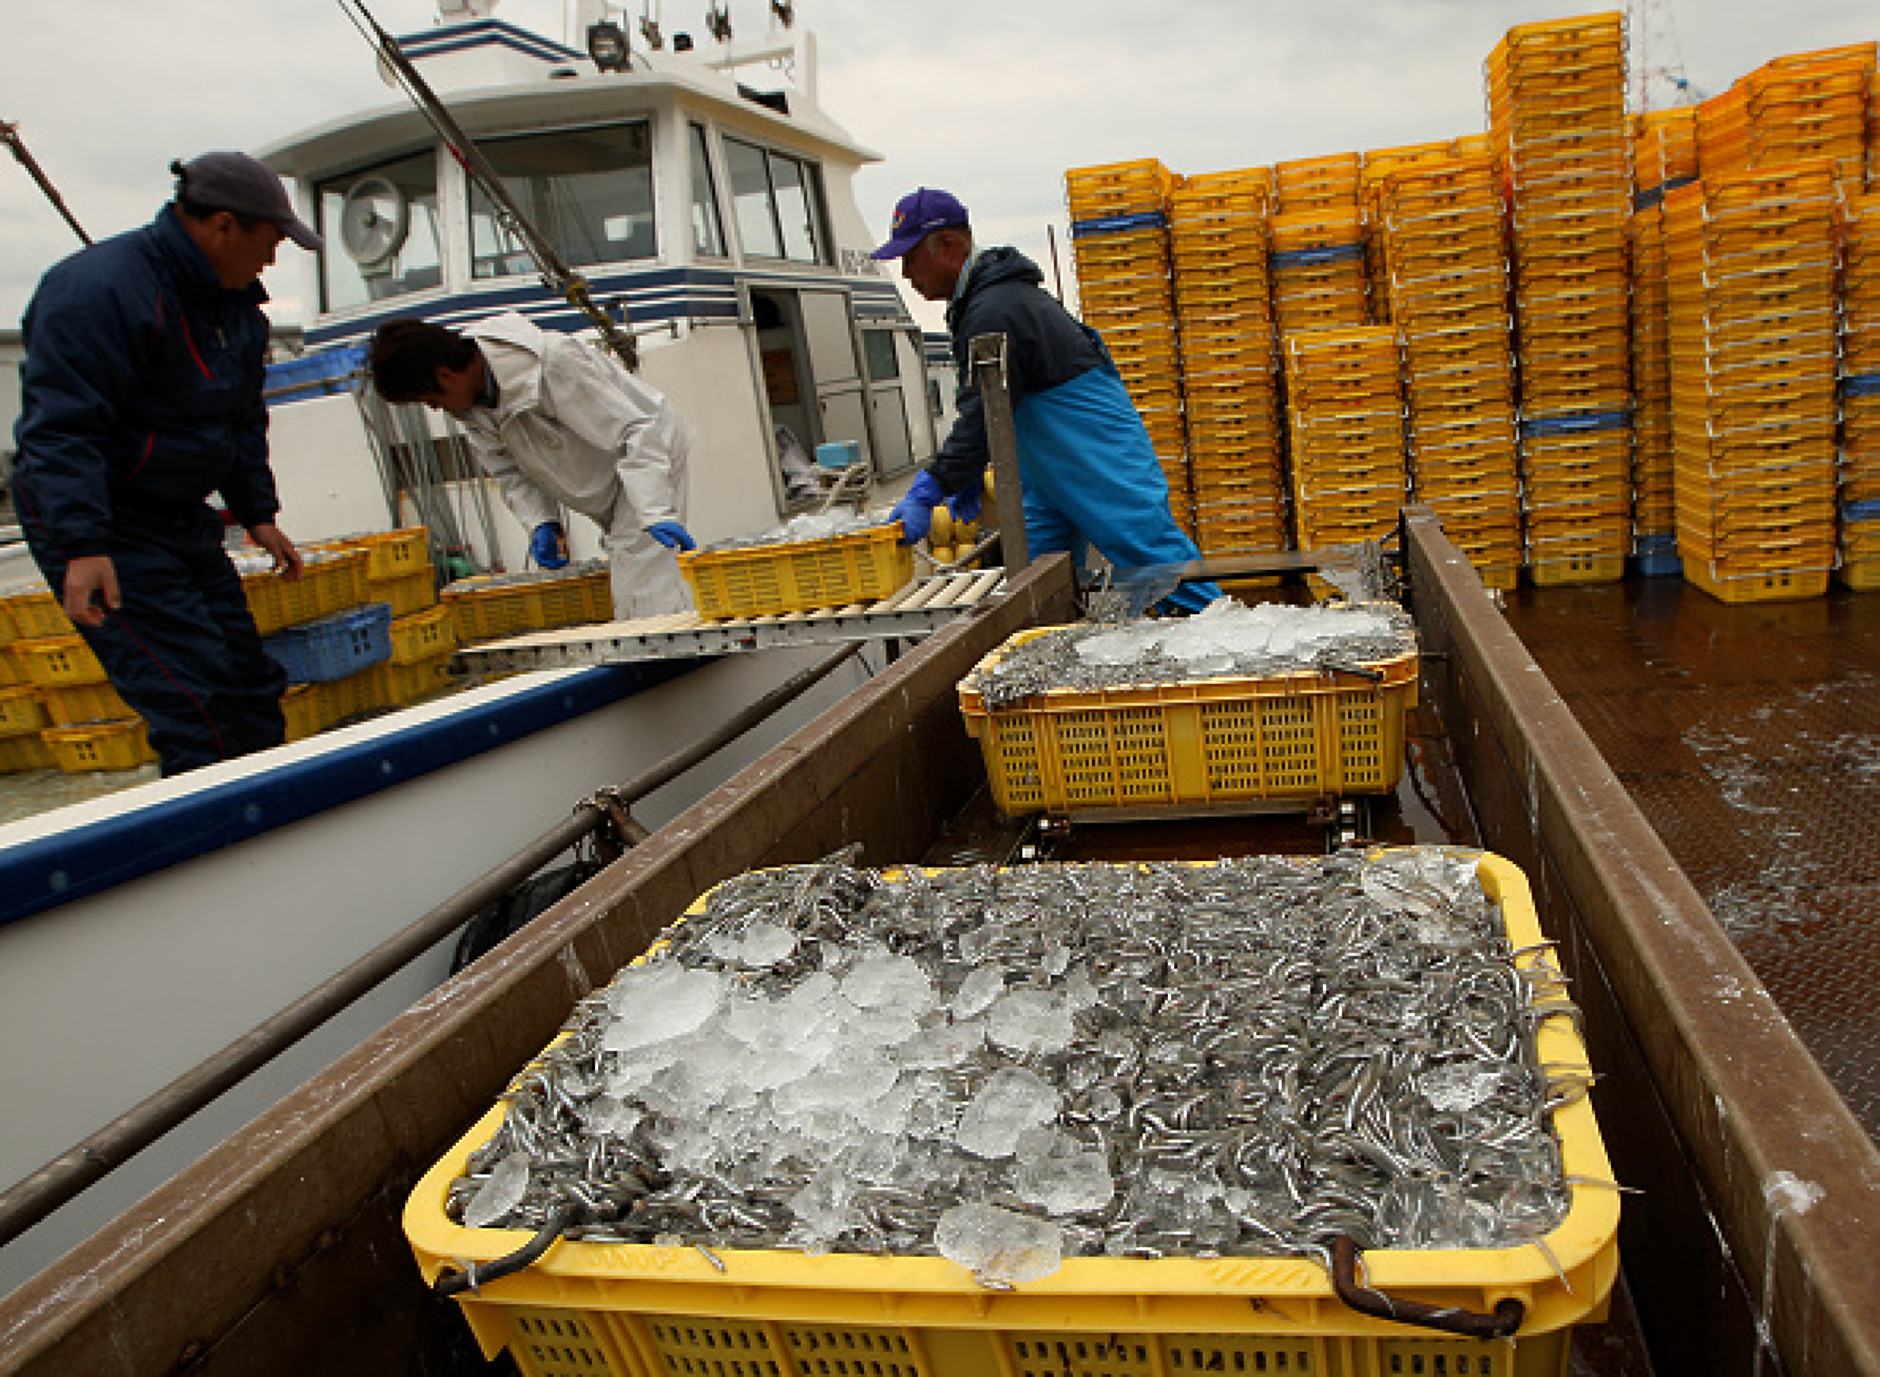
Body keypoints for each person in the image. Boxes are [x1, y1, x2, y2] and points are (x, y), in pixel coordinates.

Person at [11, 151, 320, 776]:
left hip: (178, 515)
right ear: (224, 226)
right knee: (193, 703)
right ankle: (213, 849)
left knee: (251, 688)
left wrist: (257, 511)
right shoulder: (95, 291)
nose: (272, 260)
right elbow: (63, 428)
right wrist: (83, 545)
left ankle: (270, 830)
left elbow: (237, 421)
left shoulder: (236, 311)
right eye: (271, 241)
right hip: (106, 522)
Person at [875, 187, 1220, 613]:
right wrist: (962, 473)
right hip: (1046, 466)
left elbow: (982, 412)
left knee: (1155, 561)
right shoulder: (984, 302)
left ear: (948, 244)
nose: (907, 274)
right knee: (1042, 582)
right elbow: (986, 405)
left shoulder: (995, 308)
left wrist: (936, 485)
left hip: (1091, 451)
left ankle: (1235, 652)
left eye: (910, 258)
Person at [367, 313, 695, 620]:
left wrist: (652, 509)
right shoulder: (474, 406)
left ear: (445, 375)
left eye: (431, 401)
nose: (437, 409)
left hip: (645, 453)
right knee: (637, 567)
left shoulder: (553, 362)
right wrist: (542, 521)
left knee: (643, 573)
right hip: (602, 477)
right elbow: (508, 471)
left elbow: (637, 431)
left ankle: (663, 659)